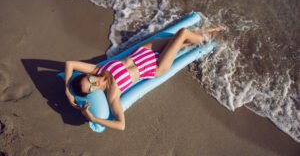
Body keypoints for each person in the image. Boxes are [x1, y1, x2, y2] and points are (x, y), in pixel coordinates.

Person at [65, 24, 226, 131]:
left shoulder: (97, 69)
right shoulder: (113, 93)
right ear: (94, 92)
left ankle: (210, 34)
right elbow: (121, 125)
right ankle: (209, 34)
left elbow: (70, 64)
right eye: (93, 87)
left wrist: (68, 92)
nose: (97, 83)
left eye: (91, 80)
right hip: (156, 66)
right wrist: (92, 117)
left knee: (183, 41)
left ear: (89, 75)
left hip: (145, 51)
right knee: (182, 33)